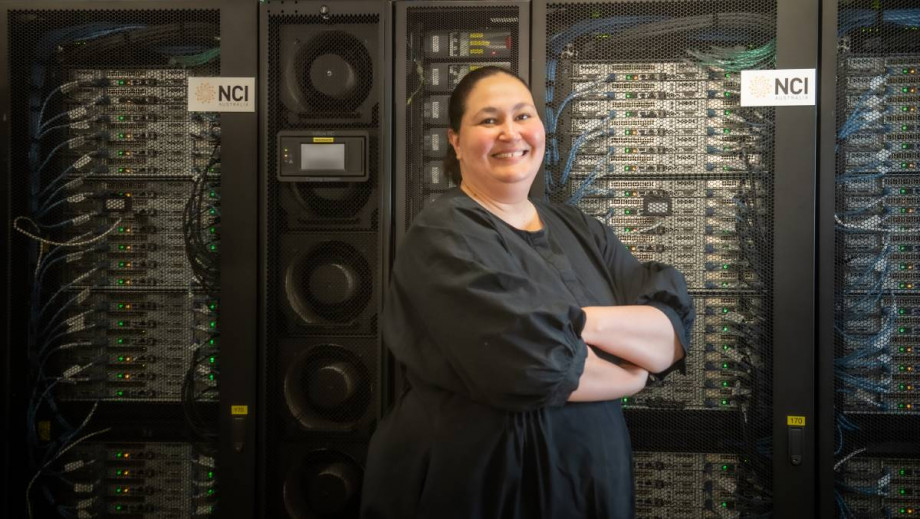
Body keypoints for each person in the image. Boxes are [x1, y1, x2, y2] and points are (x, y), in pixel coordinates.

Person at [361, 66, 694, 518]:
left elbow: (670, 332)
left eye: (523, 116)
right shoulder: (442, 234)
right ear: (456, 141)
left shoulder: (580, 229)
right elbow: (529, 362)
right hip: (485, 489)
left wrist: (577, 320)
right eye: (488, 120)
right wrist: (633, 372)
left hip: (590, 486)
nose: (510, 133)